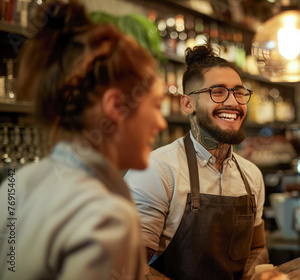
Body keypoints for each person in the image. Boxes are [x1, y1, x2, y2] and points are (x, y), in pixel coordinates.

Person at [0, 1, 167, 279]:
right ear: (116, 106)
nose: (161, 122)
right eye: (157, 105)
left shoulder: (19, 183)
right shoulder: (105, 213)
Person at [125, 43, 268, 280]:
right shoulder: (157, 170)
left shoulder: (251, 175)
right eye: (218, 92)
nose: (233, 103)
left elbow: (257, 248)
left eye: (239, 92)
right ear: (187, 103)